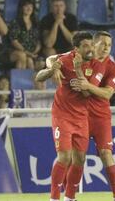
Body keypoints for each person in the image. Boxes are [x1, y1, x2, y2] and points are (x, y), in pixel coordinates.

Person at [35, 31, 103, 201]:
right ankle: (54, 198)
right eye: (86, 46)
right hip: (62, 115)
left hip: (81, 117)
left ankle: (70, 197)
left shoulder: (97, 65)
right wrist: (52, 68)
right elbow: (41, 73)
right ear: (76, 49)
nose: (90, 49)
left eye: (91, 45)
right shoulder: (66, 58)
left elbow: (88, 94)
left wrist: (78, 69)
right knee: (64, 157)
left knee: (80, 159)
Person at [67, 31, 115, 201]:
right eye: (103, 43)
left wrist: (87, 86)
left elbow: (107, 94)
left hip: (101, 117)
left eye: (109, 45)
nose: (106, 48)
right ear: (94, 45)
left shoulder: (114, 68)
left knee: (106, 153)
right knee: (78, 157)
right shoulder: (82, 62)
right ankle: (69, 197)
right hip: (80, 116)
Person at [9, 0, 41, 69]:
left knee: (30, 61)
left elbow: (39, 40)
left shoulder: (36, 22)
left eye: (31, 6)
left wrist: (35, 51)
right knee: (23, 56)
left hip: (33, 53)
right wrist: (27, 52)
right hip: (17, 51)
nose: (29, 8)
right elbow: (14, 41)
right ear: (21, 8)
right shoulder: (15, 22)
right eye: (26, 6)